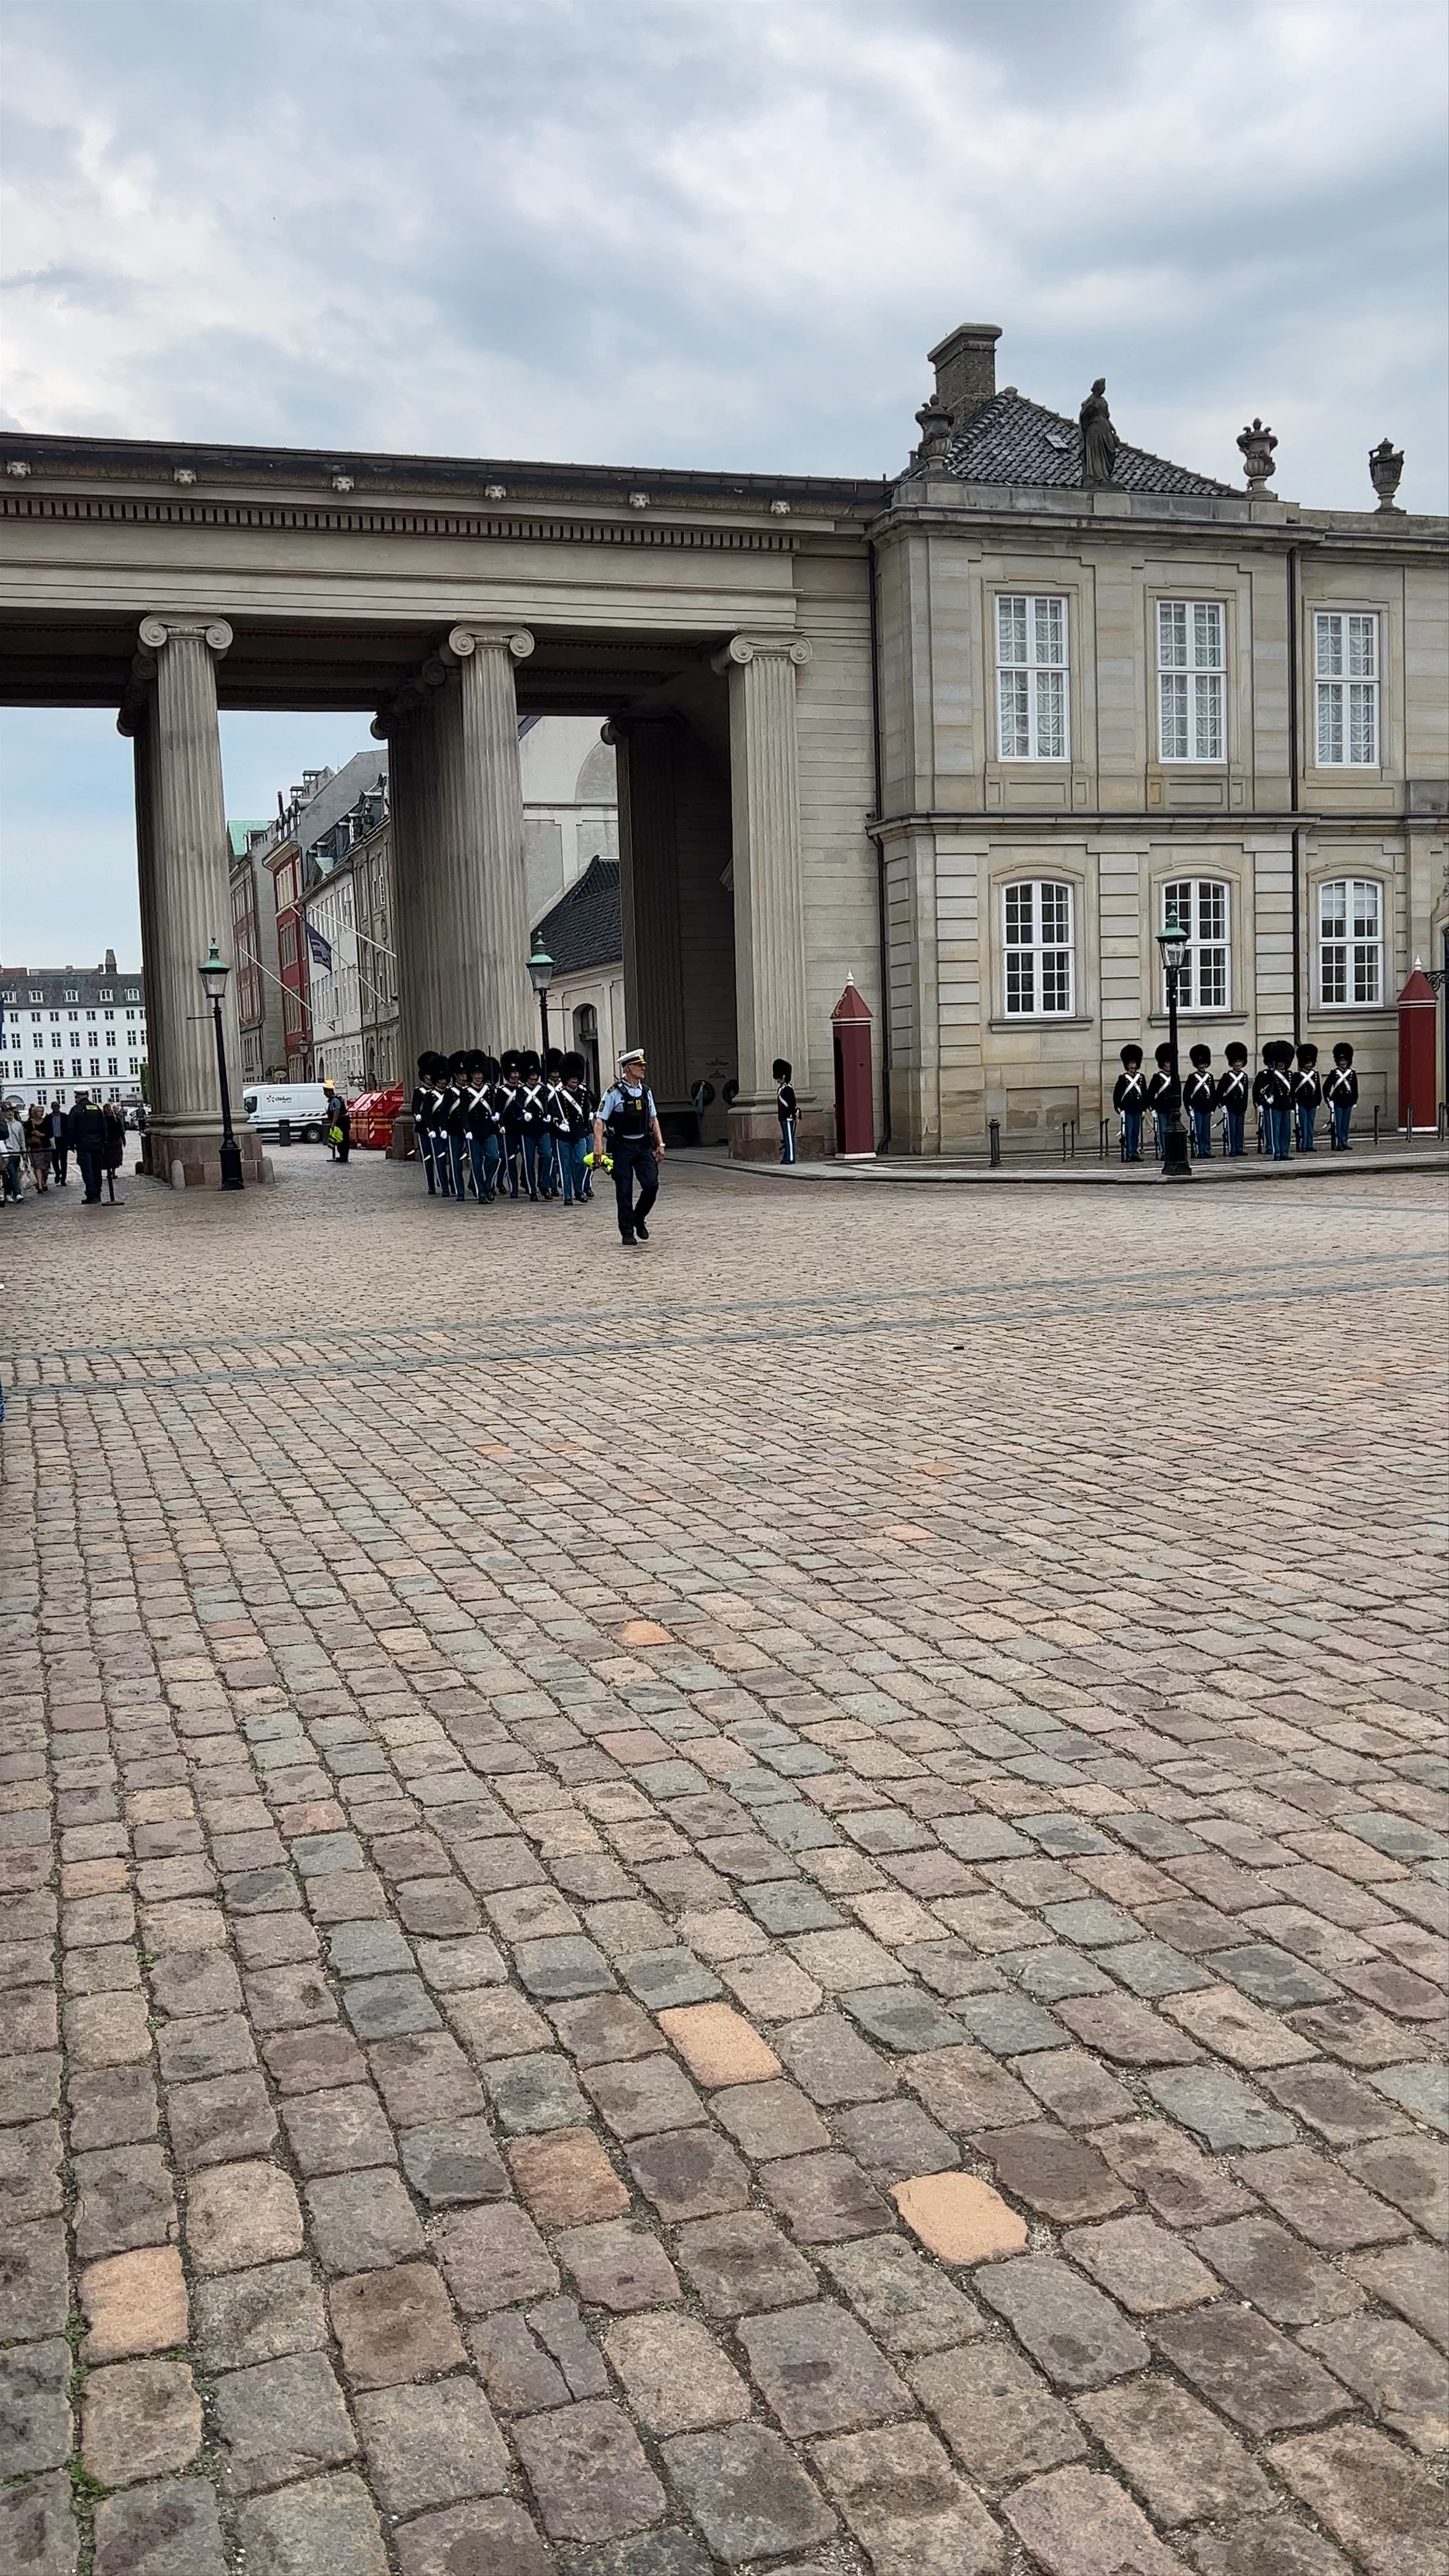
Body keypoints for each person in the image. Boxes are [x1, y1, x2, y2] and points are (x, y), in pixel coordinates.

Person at [594, 1045, 665, 1246]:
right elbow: (600, 1121)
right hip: (623, 1147)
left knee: (651, 1186)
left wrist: (660, 1143)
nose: (644, 1068)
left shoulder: (646, 1092)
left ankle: (638, 1218)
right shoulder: (614, 1093)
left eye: (643, 1065)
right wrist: (598, 1147)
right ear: (628, 1068)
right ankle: (627, 1231)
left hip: (643, 1145)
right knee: (624, 1190)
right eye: (639, 1065)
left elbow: (653, 1119)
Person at [553, 1052, 592, 1206]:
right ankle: (568, 1196)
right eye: (571, 1077)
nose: (574, 1080)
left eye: (576, 1077)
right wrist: (559, 1123)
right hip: (564, 1135)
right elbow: (554, 1112)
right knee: (565, 1166)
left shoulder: (583, 1093)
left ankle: (580, 1190)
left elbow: (586, 1111)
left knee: (582, 1162)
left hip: (580, 1132)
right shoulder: (559, 1095)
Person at [411, 1051, 446, 1194]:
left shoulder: (443, 1091)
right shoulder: (419, 1091)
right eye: (428, 1075)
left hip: (439, 1126)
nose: (430, 1078)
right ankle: (431, 1184)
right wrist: (418, 1116)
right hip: (425, 1128)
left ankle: (443, 1181)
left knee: (441, 1155)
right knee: (428, 1157)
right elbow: (415, 1107)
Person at [1253, 1041, 1292, 1161]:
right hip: (1274, 1106)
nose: (1281, 1064)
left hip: (1285, 1105)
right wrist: (1266, 1101)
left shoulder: (1289, 1075)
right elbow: (1261, 1090)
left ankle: (1285, 1152)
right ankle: (1277, 1153)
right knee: (1275, 1130)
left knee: (1286, 1131)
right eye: (1279, 1062)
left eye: (1283, 1062)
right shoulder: (1269, 1075)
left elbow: (1292, 1091)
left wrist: (1293, 1105)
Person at [68, 1091, 109, 1201]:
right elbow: (104, 1126)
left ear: (78, 1096)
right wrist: (104, 1141)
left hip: (83, 1144)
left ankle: (92, 1195)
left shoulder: (76, 1109)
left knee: (87, 1170)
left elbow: (70, 1128)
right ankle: (98, 1192)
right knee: (97, 1169)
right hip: (98, 1143)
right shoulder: (96, 1108)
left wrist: (71, 1144)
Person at [1112, 1044, 1146, 1161]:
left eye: (1134, 1063)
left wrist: (1144, 1109)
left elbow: (1144, 1094)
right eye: (1131, 1063)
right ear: (1127, 1065)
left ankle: (1135, 1153)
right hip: (1128, 1109)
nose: (1133, 1065)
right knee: (1129, 1132)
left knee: (1136, 1133)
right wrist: (1119, 1109)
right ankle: (1129, 1153)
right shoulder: (1123, 1079)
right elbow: (1117, 1095)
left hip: (1137, 1108)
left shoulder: (1141, 1078)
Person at [1217, 1041, 1251, 1158]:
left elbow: (1245, 1093)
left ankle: (1239, 1148)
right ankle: (1232, 1149)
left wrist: (1245, 1106)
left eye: (1240, 1062)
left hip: (1240, 1106)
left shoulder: (1245, 1077)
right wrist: (1223, 1106)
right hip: (1231, 1106)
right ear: (1232, 1063)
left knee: (1240, 1129)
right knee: (1231, 1130)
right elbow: (1219, 1093)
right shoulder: (1227, 1077)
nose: (1238, 1064)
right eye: (1236, 1062)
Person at [1324, 1041, 1358, 1151]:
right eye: (1341, 1061)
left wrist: (1355, 1101)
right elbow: (1326, 1088)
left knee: (1345, 1124)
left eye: (1345, 1060)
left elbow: (1355, 1088)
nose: (1343, 1062)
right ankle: (1339, 1143)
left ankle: (1344, 1141)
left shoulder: (1352, 1073)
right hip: (1338, 1101)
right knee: (1338, 1124)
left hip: (1348, 1101)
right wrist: (1329, 1100)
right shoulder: (1334, 1073)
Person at [1183, 1045, 1215, 1160]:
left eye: (1204, 1063)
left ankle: (1207, 1150)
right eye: (1200, 1063)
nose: (1202, 1065)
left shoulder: (1210, 1077)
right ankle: (1199, 1151)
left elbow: (1213, 1094)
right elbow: (1186, 1095)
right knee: (1198, 1132)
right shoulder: (1192, 1078)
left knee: (1206, 1132)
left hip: (1207, 1108)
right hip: (1197, 1108)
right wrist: (1189, 1109)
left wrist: (1213, 1108)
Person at [1144, 1042, 1175, 1158]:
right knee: (1163, 1132)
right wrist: (1152, 1109)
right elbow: (1150, 1094)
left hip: (1172, 1108)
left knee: (1173, 1133)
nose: (1169, 1065)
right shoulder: (1157, 1078)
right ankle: (1165, 1152)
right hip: (1161, 1108)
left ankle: (1172, 1151)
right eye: (1167, 1063)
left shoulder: (1175, 1076)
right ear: (1163, 1064)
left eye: (1170, 1062)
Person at [1291, 1043, 1321, 1153]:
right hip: (1302, 1103)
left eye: (1311, 1062)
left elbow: (1318, 1090)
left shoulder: (1315, 1074)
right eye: (1307, 1062)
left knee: (1310, 1125)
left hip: (1312, 1102)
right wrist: (1294, 1104)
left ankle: (1310, 1144)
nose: (1309, 1065)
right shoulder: (1297, 1076)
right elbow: (1293, 1091)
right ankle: (1303, 1144)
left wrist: (1318, 1101)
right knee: (1303, 1125)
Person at [773, 1058, 798, 1164]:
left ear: (784, 1076)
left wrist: (793, 1113)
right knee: (787, 1138)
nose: (778, 1080)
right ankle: (787, 1156)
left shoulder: (788, 1089)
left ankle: (791, 1157)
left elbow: (791, 1105)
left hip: (788, 1117)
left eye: (779, 1077)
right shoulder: (782, 1089)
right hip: (784, 1117)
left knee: (789, 1138)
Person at [102, 1100, 127, 1200]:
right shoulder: (103, 1120)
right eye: (107, 1109)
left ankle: (113, 1172)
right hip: (108, 1141)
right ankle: (109, 1171)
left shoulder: (116, 1119)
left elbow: (121, 1129)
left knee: (116, 1157)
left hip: (116, 1140)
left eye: (109, 1109)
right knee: (108, 1157)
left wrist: (123, 1140)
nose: (109, 1111)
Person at [25, 1103, 51, 1191]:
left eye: (42, 1111)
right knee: (38, 1166)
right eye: (40, 1111)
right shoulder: (29, 1123)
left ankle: (45, 1182)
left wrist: (42, 1135)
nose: (41, 1113)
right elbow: (27, 1135)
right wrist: (33, 1133)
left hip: (46, 1146)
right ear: (35, 1113)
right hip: (35, 1147)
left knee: (46, 1167)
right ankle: (40, 1185)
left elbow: (50, 1134)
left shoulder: (47, 1122)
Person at [2, 1103, 25, 1201]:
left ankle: (8, 1192)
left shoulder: (18, 1125)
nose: (10, 1113)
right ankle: (17, 1193)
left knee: (13, 1174)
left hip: (17, 1152)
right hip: (6, 1153)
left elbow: (22, 1139)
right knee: (11, 1173)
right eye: (7, 1111)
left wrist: (23, 1151)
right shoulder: (3, 1125)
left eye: (11, 1111)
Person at [48, 1098, 69, 1185]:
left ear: (59, 1107)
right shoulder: (49, 1118)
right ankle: (58, 1173)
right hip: (53, 1140)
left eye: (57, 1106)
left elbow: (68, 1129)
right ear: (52, 1107)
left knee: (64, 1160)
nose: (56, 1108)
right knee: (55, 1160)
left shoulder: (64, 1117)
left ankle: (64, 1178)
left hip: (63, 1140)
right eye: (54, 1106)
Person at [328, 1090, 351, 1164]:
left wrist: (334, 1123)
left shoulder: (335, 1100)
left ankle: (343, 1157)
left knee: (341, 1139)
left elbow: (337, 1112)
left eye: (325, 1092)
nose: (324, 1094)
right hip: (344, 1121)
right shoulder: (338, 1098)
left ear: (330, 1092)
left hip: (342, 1122)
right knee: (342, 1139)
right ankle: (343, 1156)